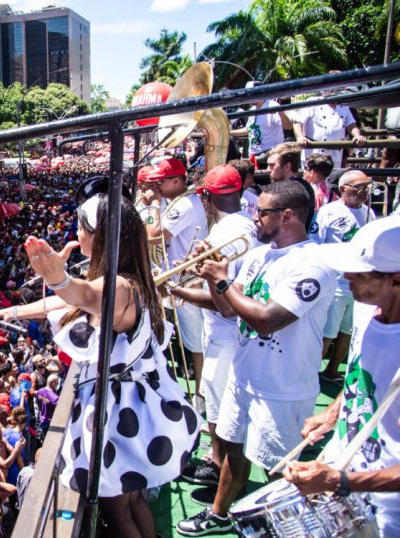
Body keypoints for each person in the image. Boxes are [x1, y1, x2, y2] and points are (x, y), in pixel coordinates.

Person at [25, 181, 198, 538]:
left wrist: (59, 278)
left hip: (118, 419)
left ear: (100, 237)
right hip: (127, 410)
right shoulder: (130, 278)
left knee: (118, 515)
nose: (76, 234)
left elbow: (81, 294)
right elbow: (74, 301)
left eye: (81, 228)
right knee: (132, 504)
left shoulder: (118, 286)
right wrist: (12, 311)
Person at [177, 179, 337, 536]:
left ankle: (284, 526)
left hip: (282, 386)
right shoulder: (259, 254)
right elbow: (229, 310)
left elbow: (267, 321)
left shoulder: (313, 264)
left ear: (288, 215)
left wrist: (221, 283)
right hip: (244, 374)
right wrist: (210, 273)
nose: (254, 219)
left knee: (279, 467)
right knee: (234, 450)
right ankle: (219, 514)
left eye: (260, 212)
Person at [284, 216, 400, 536]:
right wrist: (334, 413)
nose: (347, 276)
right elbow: (364, 374)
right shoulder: (369, 307)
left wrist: (342, 481)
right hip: (344, 469)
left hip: (387, 512)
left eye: (360, 273)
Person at [169, 165, 257, 492]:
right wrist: (193, 271)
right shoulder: (248, 223)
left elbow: (223, 300)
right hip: (236, 333)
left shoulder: (222, 235)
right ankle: (219, 462)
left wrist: (178, 290)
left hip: (225, 333)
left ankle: (219, 466)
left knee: (220, 406)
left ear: (206, 196)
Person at [145, 157, 209, 409]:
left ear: (177, 180)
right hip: (175, 281)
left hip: (187, 282)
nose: (156, 186)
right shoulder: (179, 202)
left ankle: (202, 395)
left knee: (196, 343)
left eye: (161, 181)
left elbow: (153, 236)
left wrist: (153, 206)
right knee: (182, 341)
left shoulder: (185, 205)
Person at [311, 170, 376, 383]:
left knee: (349, 330)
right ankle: (311, 373)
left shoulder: (369, 213)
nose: (363, 192)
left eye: (366, 186)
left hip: (359, 282)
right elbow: (316, 242)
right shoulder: (328, 212)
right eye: (358, 187)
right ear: (343, 189)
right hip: (335, 281)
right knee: (328, 331)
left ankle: (332, 369)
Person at [293, 84, 367, 168]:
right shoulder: (313, 101)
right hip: (314, 151)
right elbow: (297, 121)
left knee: (332, 179)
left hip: (336, 153)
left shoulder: (344, 106)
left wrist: (357, 135)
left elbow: (351, 125)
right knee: (312, 178)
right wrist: (300, 137)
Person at [229, 82, 292, 164]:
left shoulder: (272, 106)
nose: (248, 96)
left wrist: (280, 111)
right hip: (253, 155)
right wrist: (229, 132)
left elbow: (288, 126)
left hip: (270, 154)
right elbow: (249, 130)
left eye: (250, 93)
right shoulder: (253, 109)